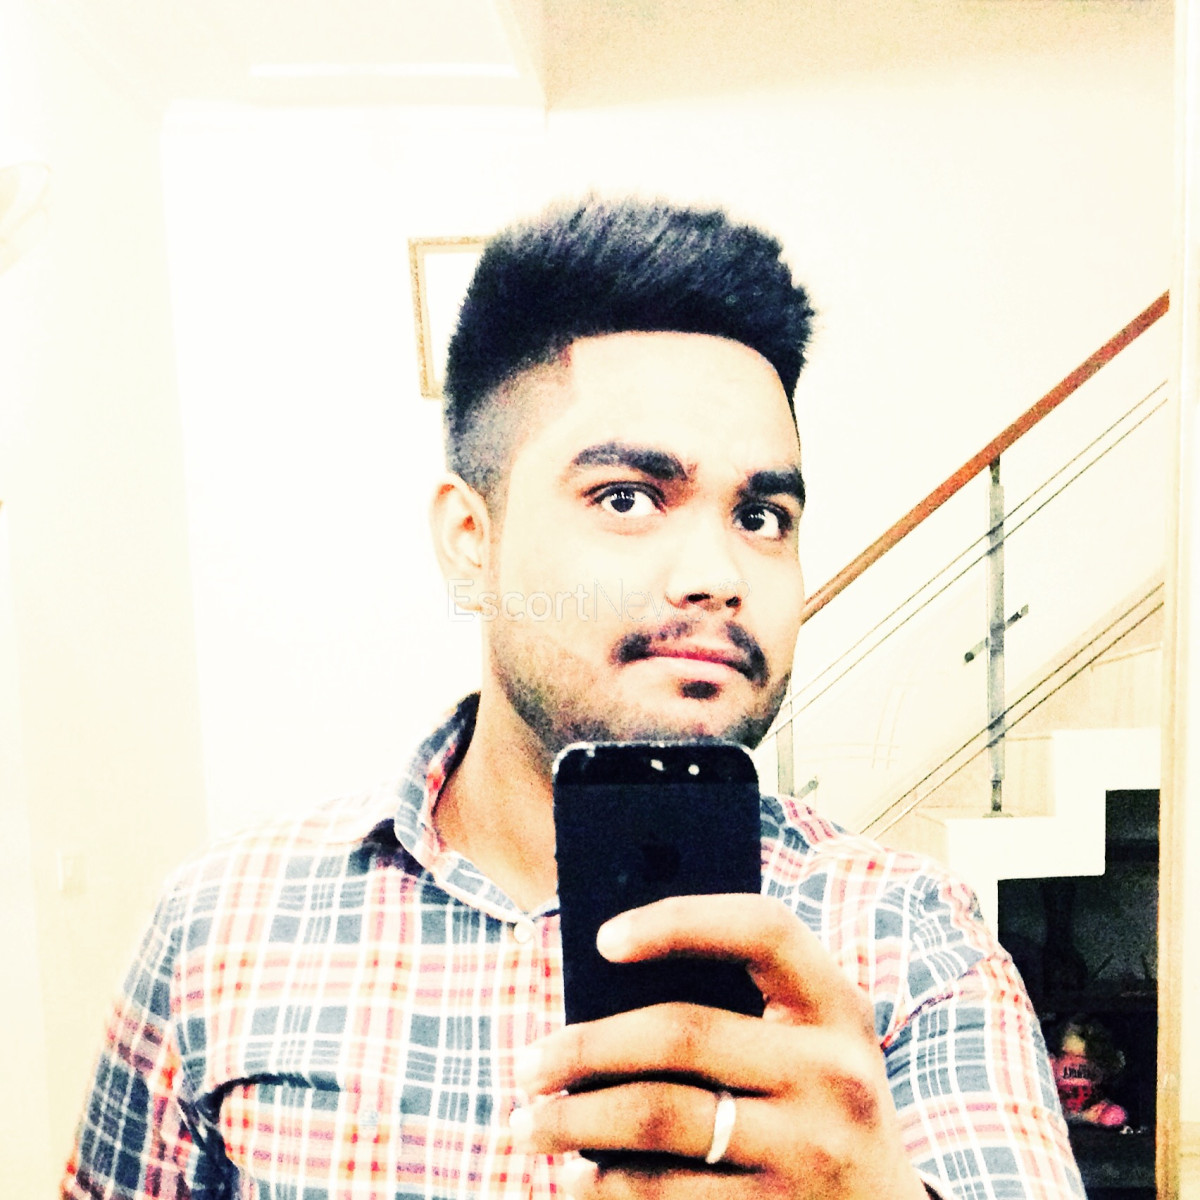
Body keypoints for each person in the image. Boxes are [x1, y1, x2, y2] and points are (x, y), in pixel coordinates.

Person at [63, 196, 1085, 1200]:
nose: (717, 574)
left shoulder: (911, 938)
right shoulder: (224, 926)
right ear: (473, 541)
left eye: (763, 516)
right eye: (628, 498)